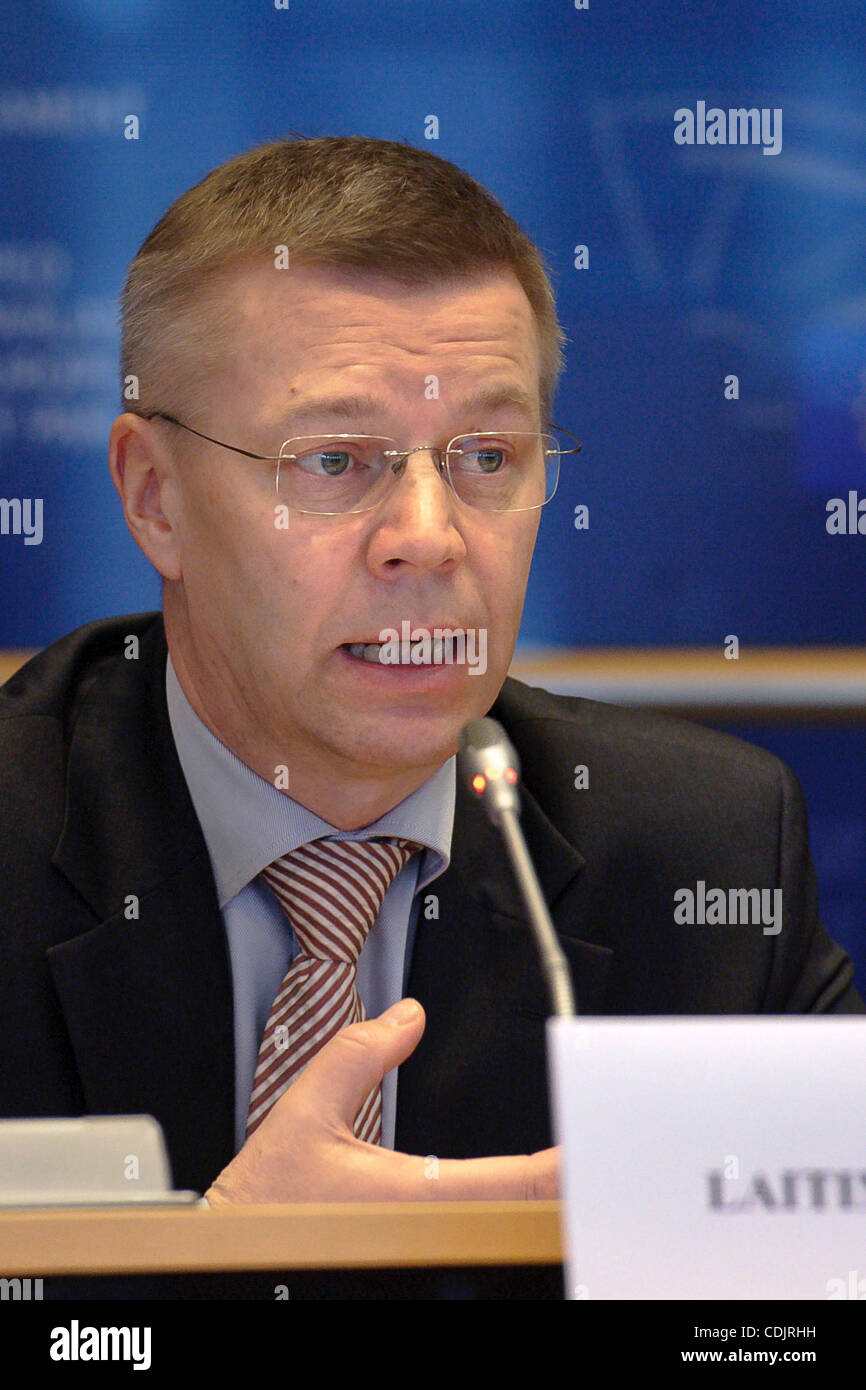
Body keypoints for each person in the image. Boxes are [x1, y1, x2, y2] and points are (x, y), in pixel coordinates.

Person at [1, 136, 862, 1218]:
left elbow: (790, 1319)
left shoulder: (706, 855)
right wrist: (216, 1269)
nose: (429, 537)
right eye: (333, 462)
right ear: (154, 497)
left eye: (488, 457)